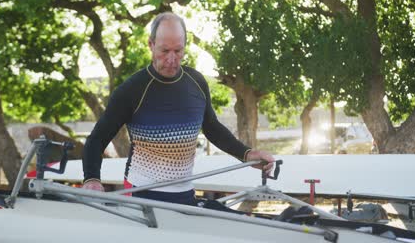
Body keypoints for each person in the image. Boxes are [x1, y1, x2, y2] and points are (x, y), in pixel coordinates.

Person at [82, 12, 275, 205]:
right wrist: (92, 179)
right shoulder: (132, 89)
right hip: (140, 193)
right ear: (151, 45)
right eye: (164, 51)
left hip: (184, 192)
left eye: (178, 51)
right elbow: (96, 139)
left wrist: (247, 154)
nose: (172, 59)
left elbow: (212, 128)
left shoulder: (197, 82)